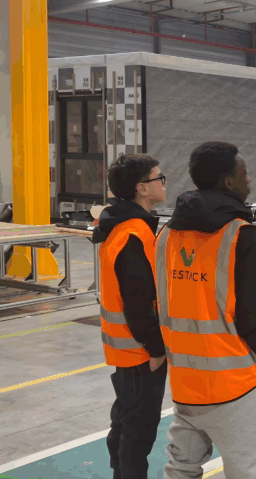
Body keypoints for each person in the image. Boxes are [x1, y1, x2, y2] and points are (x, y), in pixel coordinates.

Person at [156, 141, 256, 479]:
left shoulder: (165, 234)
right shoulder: (244, 238)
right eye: (245, 173)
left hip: (185, 382)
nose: (251, 181)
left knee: (181, 470)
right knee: (248, 471)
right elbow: (253, 321)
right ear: (228, 182)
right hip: (235, 387)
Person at [94, 153, 168, 479]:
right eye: (158, 178)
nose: (164, 182)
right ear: (142, 189)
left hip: (125, 350)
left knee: (124, 422)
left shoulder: (119, 225)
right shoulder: (135, 233)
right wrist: (155, 347)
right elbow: (137, 301)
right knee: (137, 433)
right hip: (139, 351)